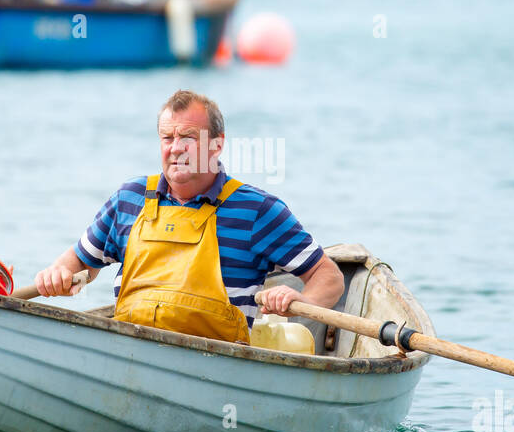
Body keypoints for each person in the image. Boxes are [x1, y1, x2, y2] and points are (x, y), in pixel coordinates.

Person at [35, 90, 344, 343]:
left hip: (220, 366)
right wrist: (58, 274)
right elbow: (80, 264)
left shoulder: (257, 210)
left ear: (217, 144)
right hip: (128, 353)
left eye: (189, 137)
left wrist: (303, 302)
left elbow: (328, 276)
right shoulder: (129, 199)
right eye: (167, 138)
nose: (176, 148)